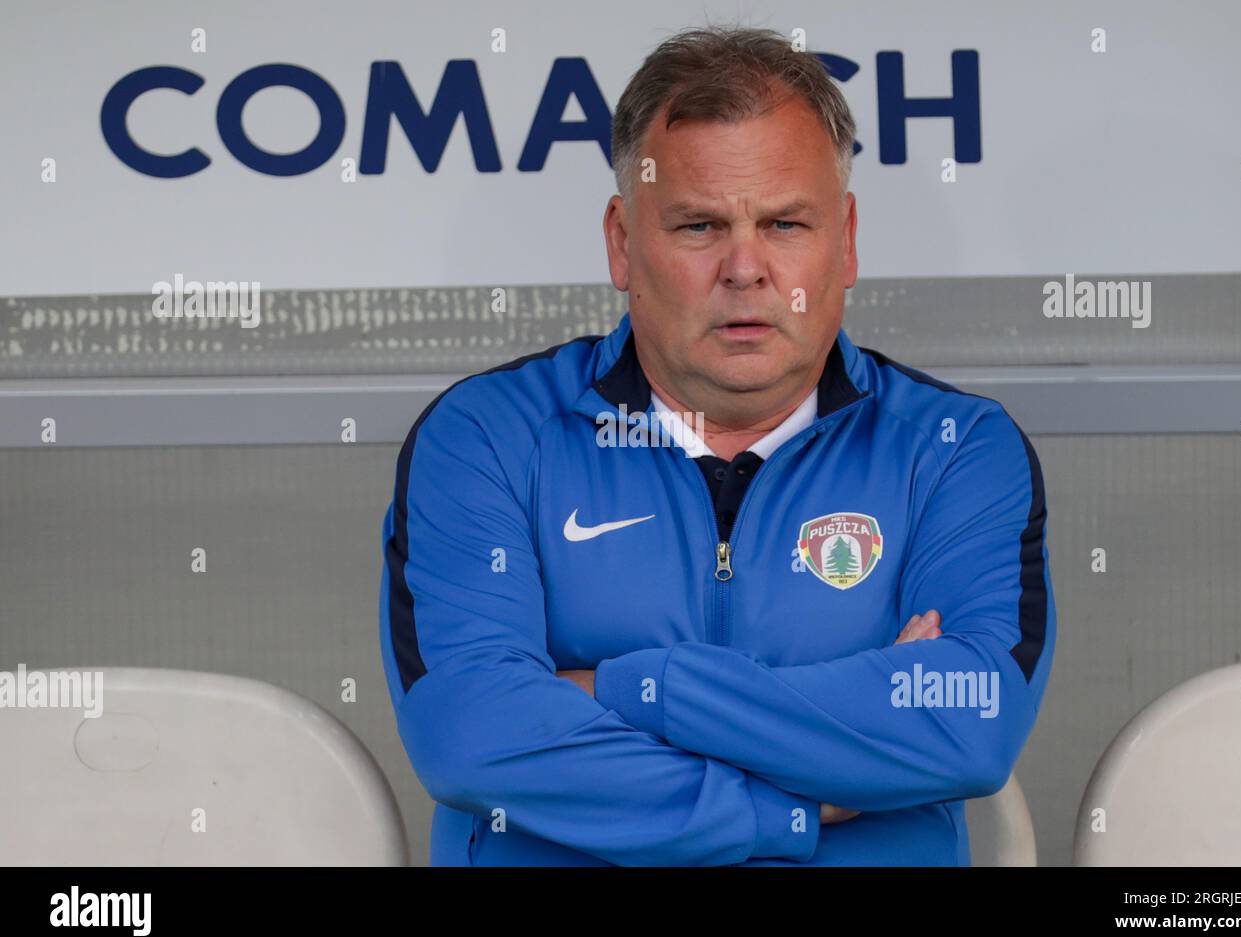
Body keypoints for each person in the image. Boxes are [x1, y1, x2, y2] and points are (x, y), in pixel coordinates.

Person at [379, 25, 1055, 866]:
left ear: (844, 242)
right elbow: (475, 735)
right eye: (699, 227)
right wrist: (809, 794)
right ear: (623, 244)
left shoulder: (955, 450)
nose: (745, 269)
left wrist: (616, 688)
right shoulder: (487, 437)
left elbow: (967, 726)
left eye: (784, 223)